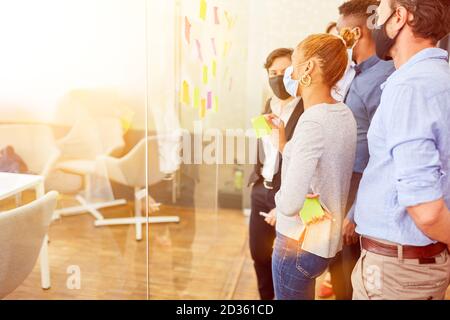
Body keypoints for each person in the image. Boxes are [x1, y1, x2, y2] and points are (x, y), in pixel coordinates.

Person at [352, 0, 450, 300]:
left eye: (378, 14)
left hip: (397, 273)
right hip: (407, 266)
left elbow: (426, 208)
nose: (374, 24)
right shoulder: (436, 77)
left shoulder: (410, 87)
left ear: (398, 18)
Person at [264, 33, 357, 300]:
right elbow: (324, 170)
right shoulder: (342, 113)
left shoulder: (312, 122)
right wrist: (284, 145)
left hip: (296, 244)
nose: (289, 73)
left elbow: (291, 203)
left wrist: (280, 201)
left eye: (294, 63)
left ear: (308, 68)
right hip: (323, 245)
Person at [326, 0, 396, 300]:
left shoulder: (384, 76)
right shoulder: (353, 73)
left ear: (354, 34)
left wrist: (355, 212)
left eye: (341, 34)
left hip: (361, 186)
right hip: (342, 184)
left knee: (352, 277)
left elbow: (383, 152)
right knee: (338, 272)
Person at [248, 48, 304, 300]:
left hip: (288, 192)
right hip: (262, 188)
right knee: (258, 254)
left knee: (285, 261)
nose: (278, 77)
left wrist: (283, 204)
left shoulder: (305, 108)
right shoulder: (267, 105)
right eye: (273, 73)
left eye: (284, 72)